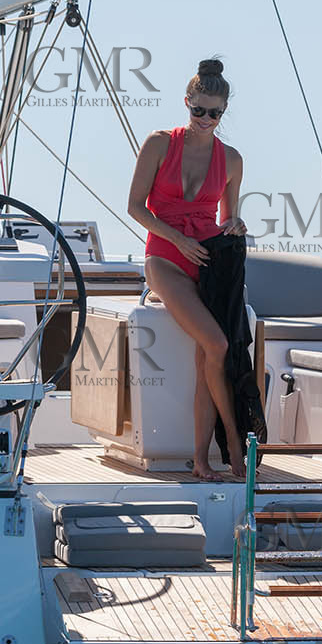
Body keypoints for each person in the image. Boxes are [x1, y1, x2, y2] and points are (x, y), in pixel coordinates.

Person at [125, 58, 249, 481]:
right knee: (217, 344)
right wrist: (178, 239)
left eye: (215, 113)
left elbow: (229, 217)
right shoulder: (160, 143)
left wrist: (234, 224)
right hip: (165, 256)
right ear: (187, 103)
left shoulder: (232, 159)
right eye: (199, 110)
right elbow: (135, 207)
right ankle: (233, 440)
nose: (206, 120)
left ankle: (202, 458)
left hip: (209, 259)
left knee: (207, 357)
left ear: (224, 112)